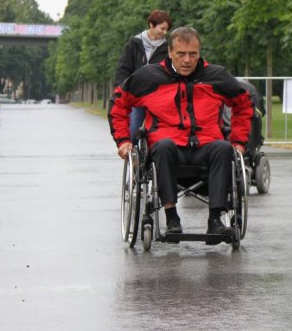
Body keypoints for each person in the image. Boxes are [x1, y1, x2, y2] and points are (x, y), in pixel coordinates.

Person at [108, 27, 254, 237]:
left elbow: (244, 104)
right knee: (164, 146)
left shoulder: (216, 76)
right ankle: (171, 216)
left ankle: (216, 219)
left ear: (199, 52)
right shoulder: (149, 76)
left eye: (193, 54)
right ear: (169, 52)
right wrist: (122, 140)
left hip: (206, 146)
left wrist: (239, 141)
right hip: (167, 147)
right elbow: (118, 103)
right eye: (181, 54)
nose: (187, 60)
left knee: (224, 148)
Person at [113, 10, 172, 141]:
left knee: (162, 133)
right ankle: (133, 156)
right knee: (133, 130)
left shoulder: (167, 48)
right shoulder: (134, 44)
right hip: (138, 94)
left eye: (166, 29)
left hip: (159, 96)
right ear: (151, 25)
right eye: (162, 28)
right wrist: (119, 90)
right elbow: (123, 68)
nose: (165, 33)